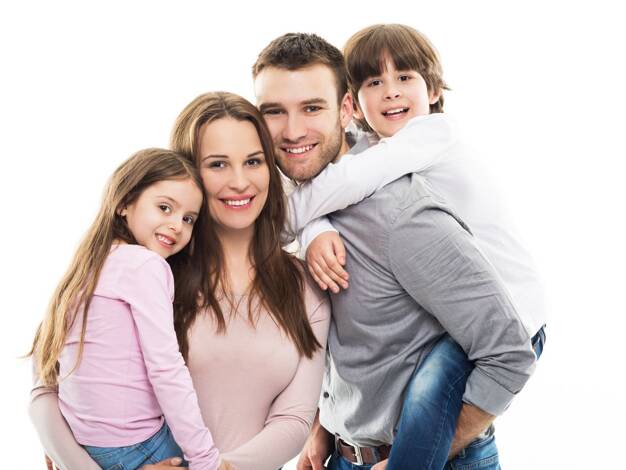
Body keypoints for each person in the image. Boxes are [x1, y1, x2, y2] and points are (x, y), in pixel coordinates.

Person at [253, 32, 538, 470]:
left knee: (435, 383)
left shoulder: (400, 203)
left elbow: (508, 353)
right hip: (344, 451)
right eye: (274, 111)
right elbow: (362, 337)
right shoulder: (316, 184)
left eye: (312, 108)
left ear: (345, 109)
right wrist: (327, 422)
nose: (292, 131)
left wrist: (422, 455)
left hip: (518, 311)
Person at [29, 92, 331, 470]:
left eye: (253, 161)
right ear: (189, 173)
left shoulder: (306, 286)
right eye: (218, 164)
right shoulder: (145, 270)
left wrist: (216, 468)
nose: (240, 181)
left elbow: (294, 420)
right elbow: (46, 386)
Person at [29, 148, 228, 470]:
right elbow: (165, 369)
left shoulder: (87, 267)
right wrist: (206, 460)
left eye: (188, 218)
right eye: (164, 208)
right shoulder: (144, 265)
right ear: (124, 203)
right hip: (137, 445)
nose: (177, 225)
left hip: (89, 444)